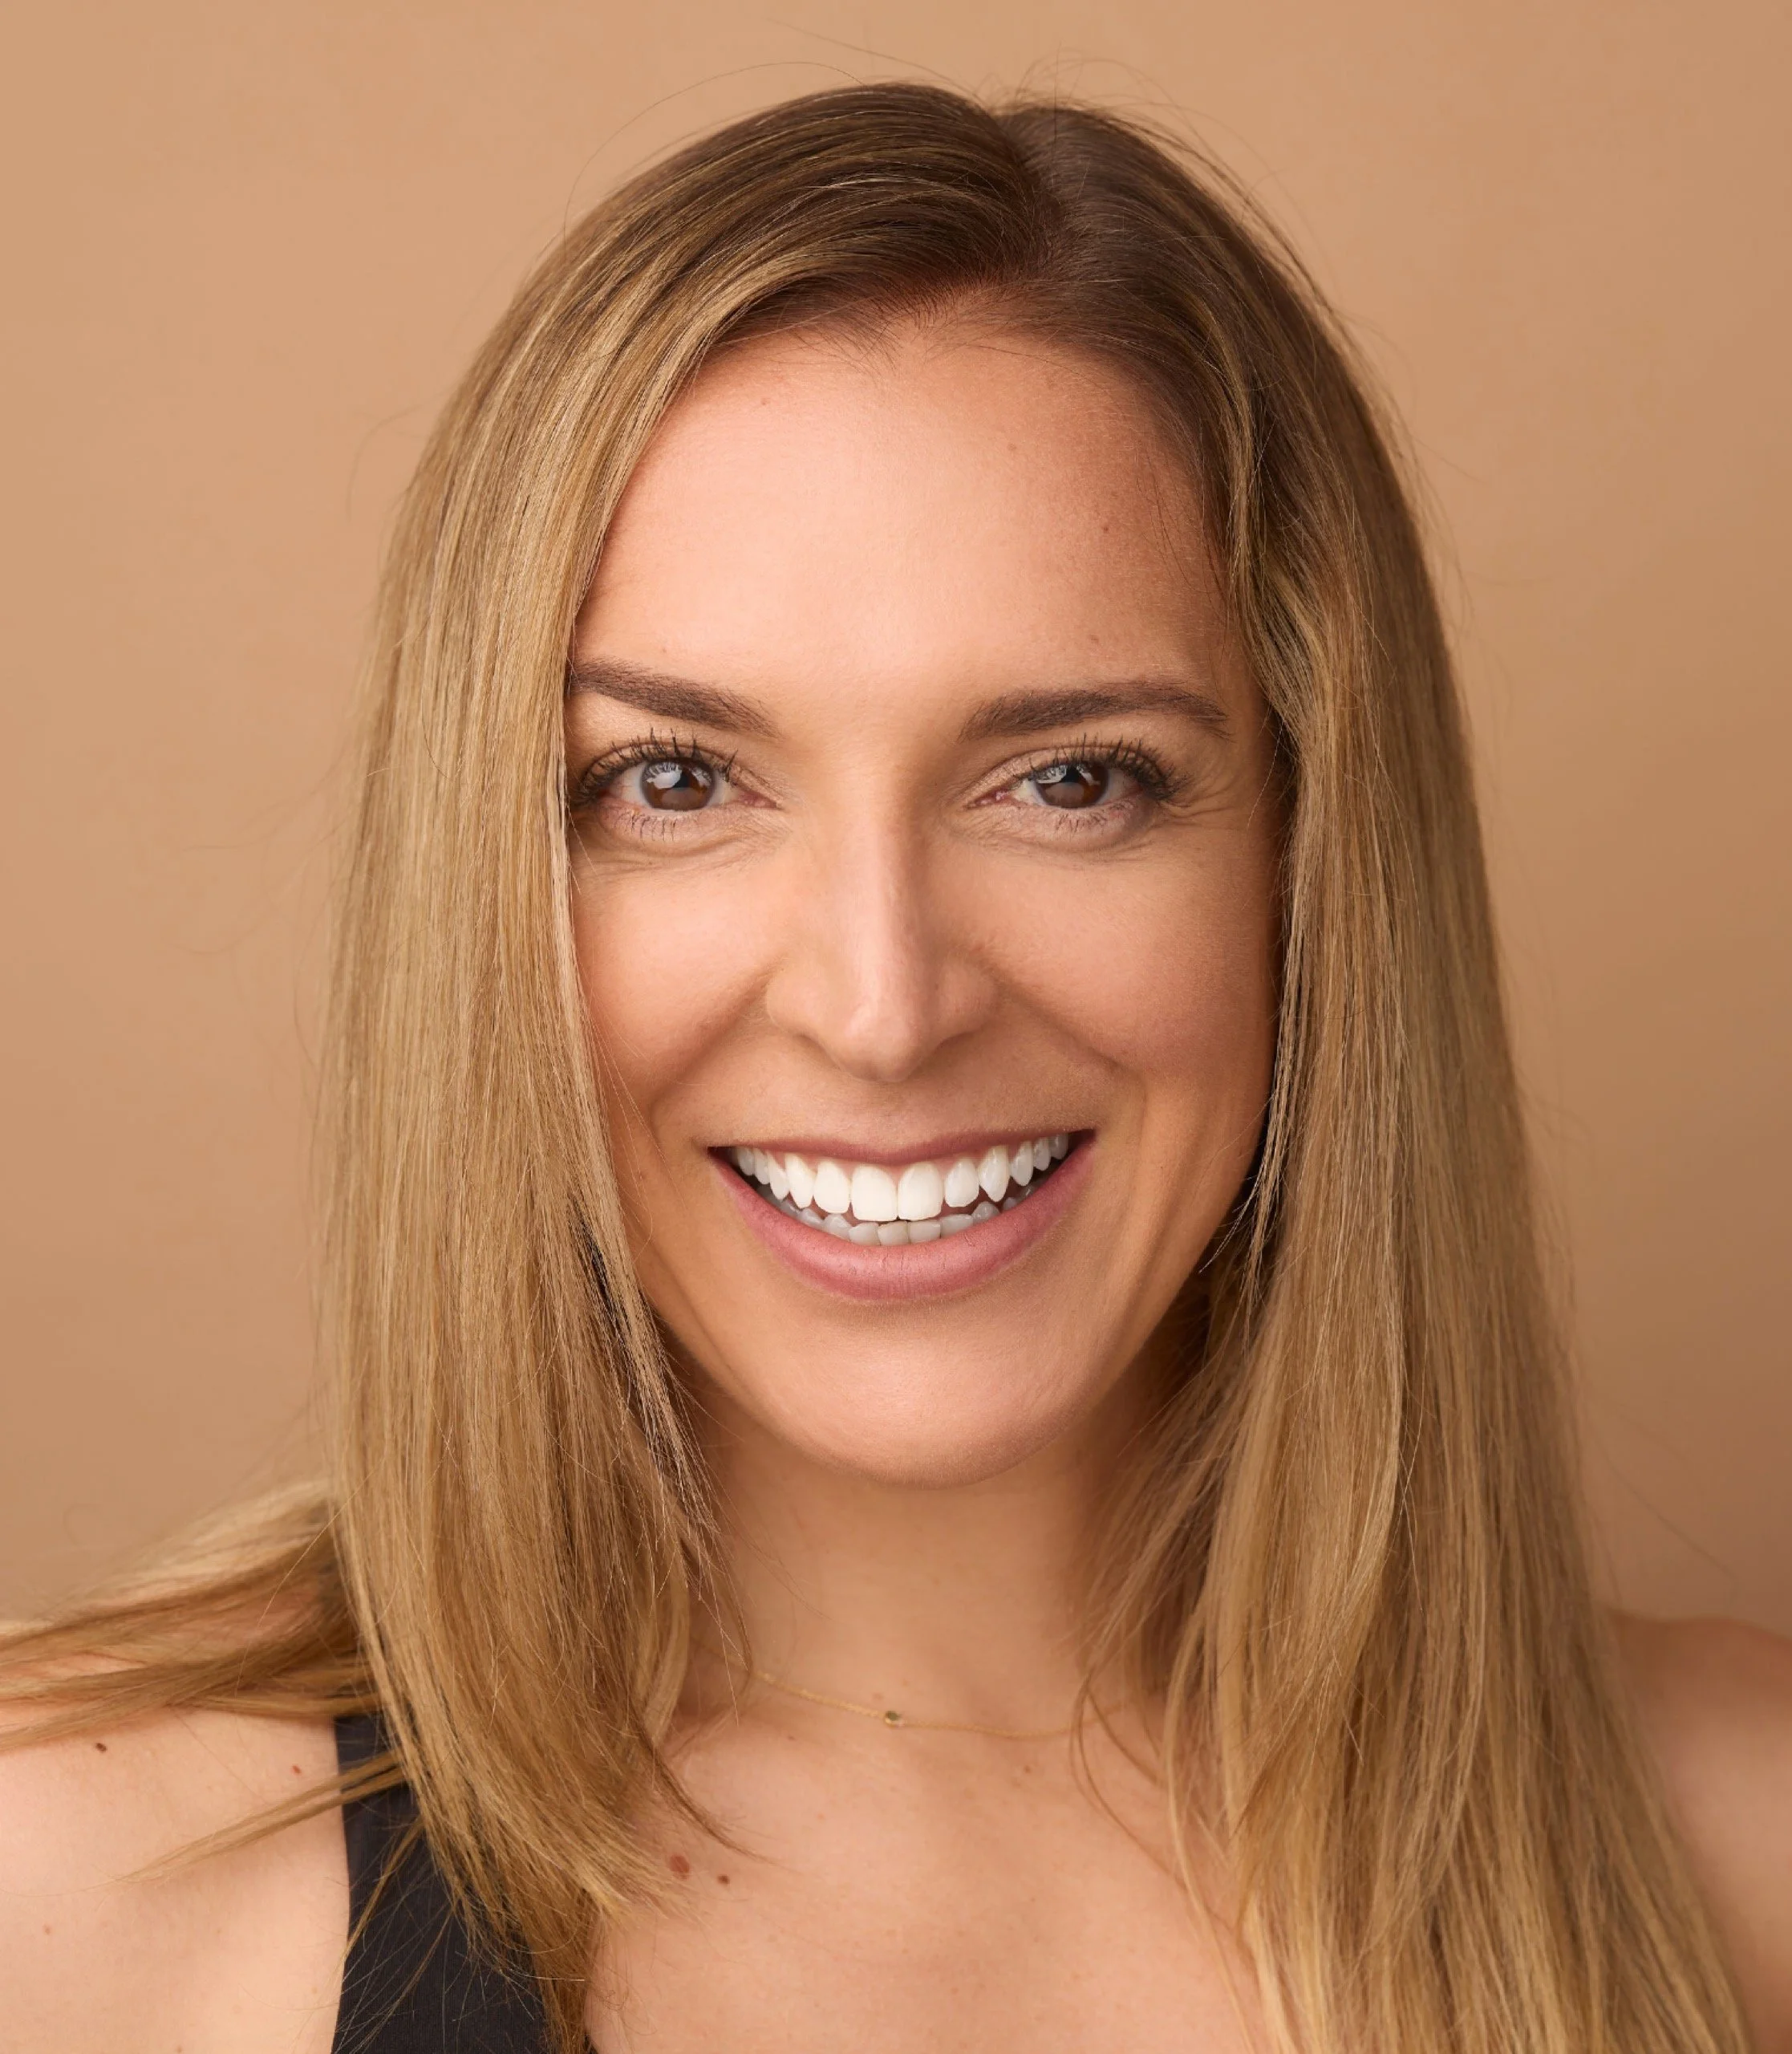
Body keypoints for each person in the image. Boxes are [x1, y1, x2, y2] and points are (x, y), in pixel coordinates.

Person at [2, 83, 1788, 2054]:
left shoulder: (1747, 1852)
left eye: (1072, 779)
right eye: (676, 781)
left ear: (1312, 867)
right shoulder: (65, 1896)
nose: (882, 1002)